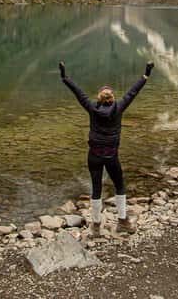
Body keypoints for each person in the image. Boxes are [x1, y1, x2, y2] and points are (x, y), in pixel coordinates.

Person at [58, 60, 154, 236]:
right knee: (119, 185)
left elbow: (78, 92)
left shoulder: (92, 108)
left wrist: (65, 77)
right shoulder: (119, 107)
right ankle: (123, 221)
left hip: (94, 155)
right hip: (111, 156)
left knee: (96, 188)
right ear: (112, 98)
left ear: (99, 98)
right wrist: (146, 74)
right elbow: (133, 92)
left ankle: (95, 226)